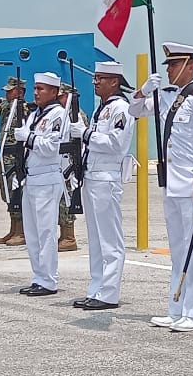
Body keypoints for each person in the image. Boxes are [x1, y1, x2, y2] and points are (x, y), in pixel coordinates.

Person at [129, 42, 193, 333]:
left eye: (173, 64)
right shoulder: (168, 98)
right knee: (178, 249)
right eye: (168, 64)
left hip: (192, 186)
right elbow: (134, 111)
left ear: (190, 66)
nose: (168, 69)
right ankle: (176, 306)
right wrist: (144, 90)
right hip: (171, 183)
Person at [71, 61, 135, 310]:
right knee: (96, 240)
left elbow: (115, 144)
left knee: (110, 240)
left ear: (114, 82)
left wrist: (86, 134)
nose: (95, 82)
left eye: (100, 78)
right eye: (95, 78)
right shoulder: (104, 109)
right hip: (93, 177)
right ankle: (96, 289)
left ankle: (109, 293)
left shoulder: (121, 109)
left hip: (107, 178)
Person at [13, 72, 70, 296]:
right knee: (33, 232)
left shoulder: (57, 114)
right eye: (35, 88)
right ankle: (38, 276)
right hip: (31, 177)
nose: (36, 93)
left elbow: (50, 148)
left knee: (46, 232)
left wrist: (27, 138)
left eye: (42, 89)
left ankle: (48, 280)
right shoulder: (36, 114)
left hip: (47, 177)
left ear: (54, 92)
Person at [0, 76, 28, 246]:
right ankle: (13, 229)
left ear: (19, 92)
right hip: (4, 157)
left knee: (17, 193)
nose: (7, 94)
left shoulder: (23, 108)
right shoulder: (7, 108)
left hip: (15, 157)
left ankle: (21, 231)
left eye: (10, 91)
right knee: (7, 193)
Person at [57, 82, 89, 252]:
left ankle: (69, 236)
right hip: (62, 161)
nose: (58, 98)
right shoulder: (63, 113)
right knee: (61, 198)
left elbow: (81, 142)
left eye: (61, 95)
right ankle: (63, 234)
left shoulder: (76, 114)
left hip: (70, 162)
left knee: (67, 199)